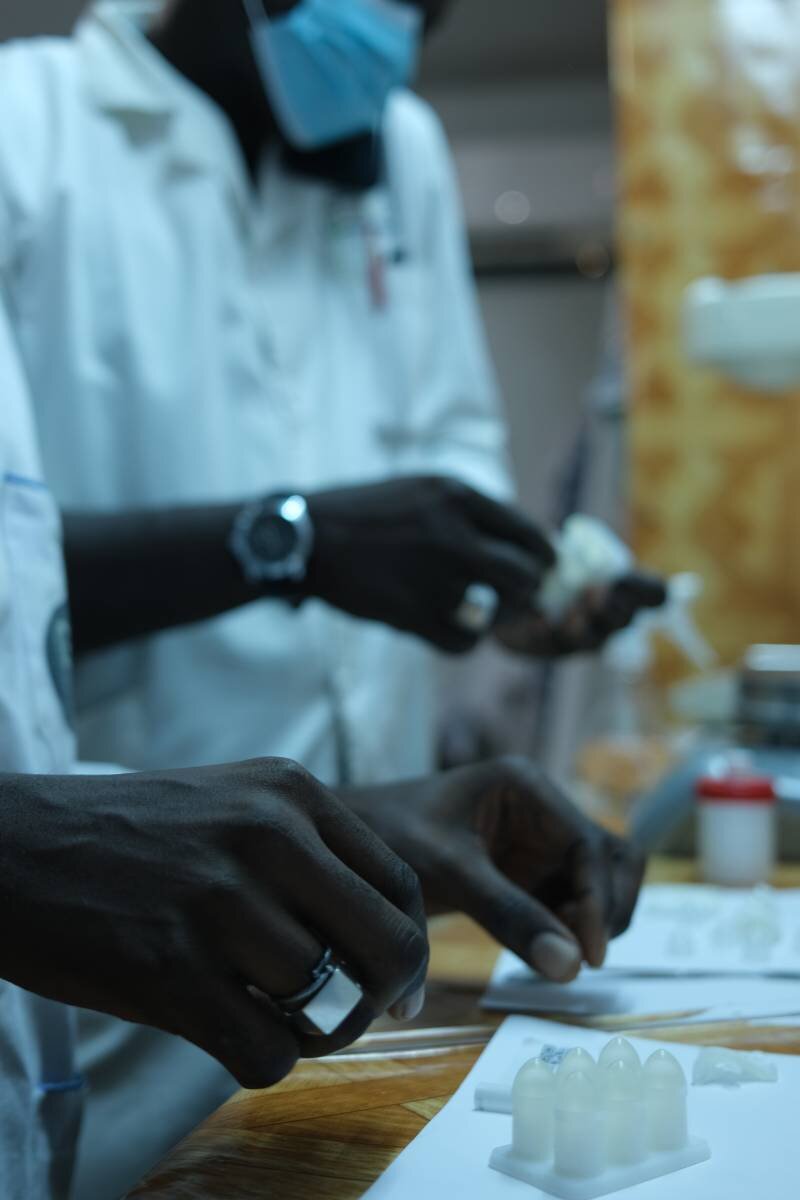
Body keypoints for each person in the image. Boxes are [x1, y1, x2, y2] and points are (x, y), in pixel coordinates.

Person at [0, 1, 663, 1194]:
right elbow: (28, 588)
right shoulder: (27, 130)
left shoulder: (393, 148)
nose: (408, 26)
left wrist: (505, 588)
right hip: (116, 926)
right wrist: (293, 540)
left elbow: (448, 461)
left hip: (354, 902)